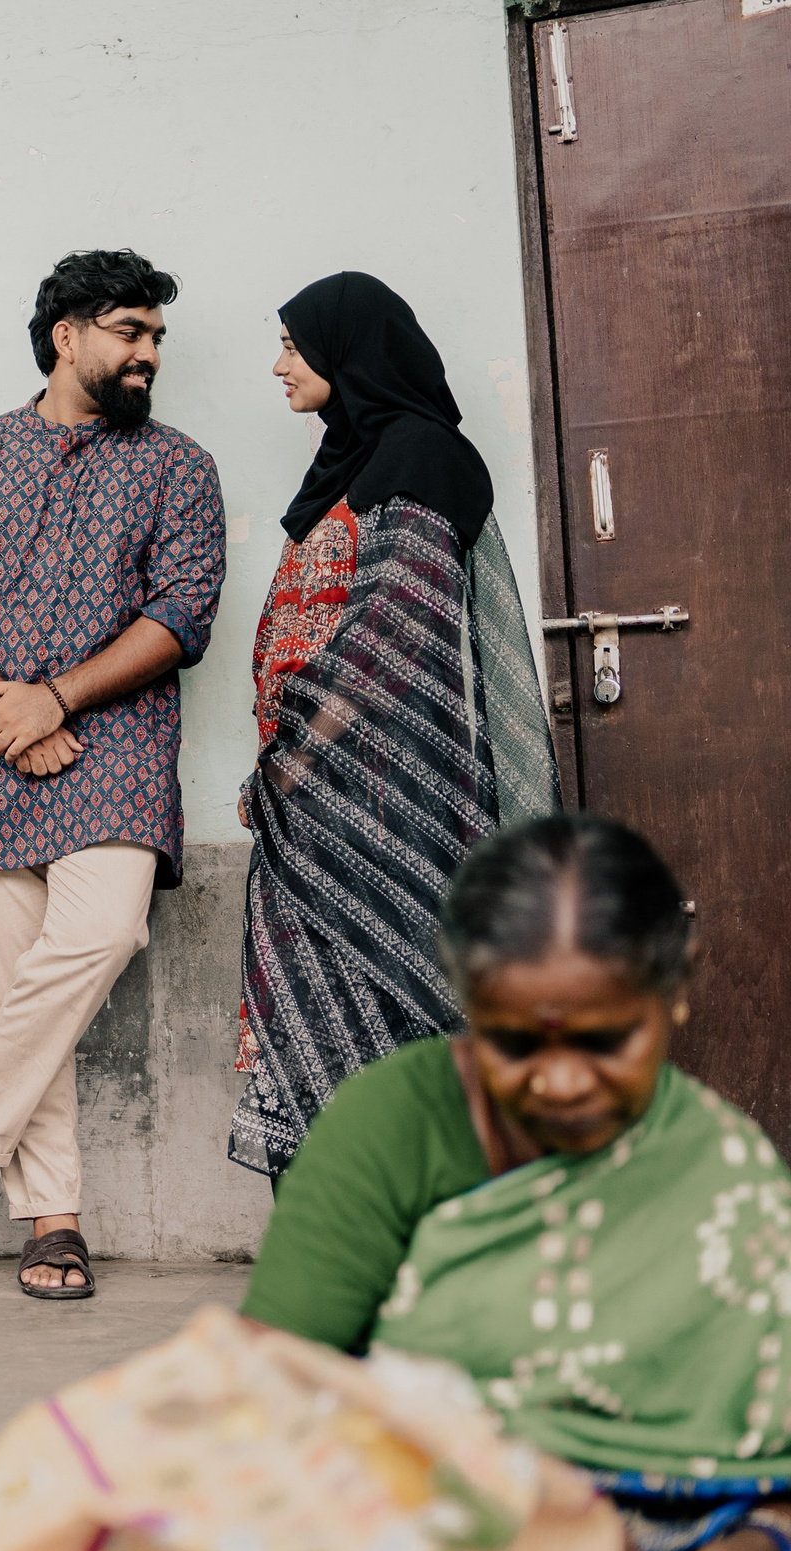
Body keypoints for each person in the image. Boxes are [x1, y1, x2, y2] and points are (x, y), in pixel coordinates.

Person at [243, 813, 791, 1551]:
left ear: (677, 993)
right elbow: (262, 1403)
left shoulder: (730, 1179)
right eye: (514, 1042)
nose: (563, 1080)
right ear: (471, 1009)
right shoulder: (395, 1128)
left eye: (609, 1041)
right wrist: (517, 1525)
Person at [0, 250, 227, 1297]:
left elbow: (182, 613)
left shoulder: (180, 466)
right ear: (66, 336)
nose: (148, 354)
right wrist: (7, 705)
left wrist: (60, 698)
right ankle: (53, 1218)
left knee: (102, 929)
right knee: (7, 995)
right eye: (131, 331)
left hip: (113, 745)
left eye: (156, 338)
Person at [229, 272, 559, 1180]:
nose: (278, 365)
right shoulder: (352, 463)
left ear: (346, 348)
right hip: (313, 810)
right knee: (314, 1026)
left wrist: (290, 767)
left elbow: (391, 633)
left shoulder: (421, 455)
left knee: (397, 1020)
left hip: (381, 807)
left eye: (294, 345)